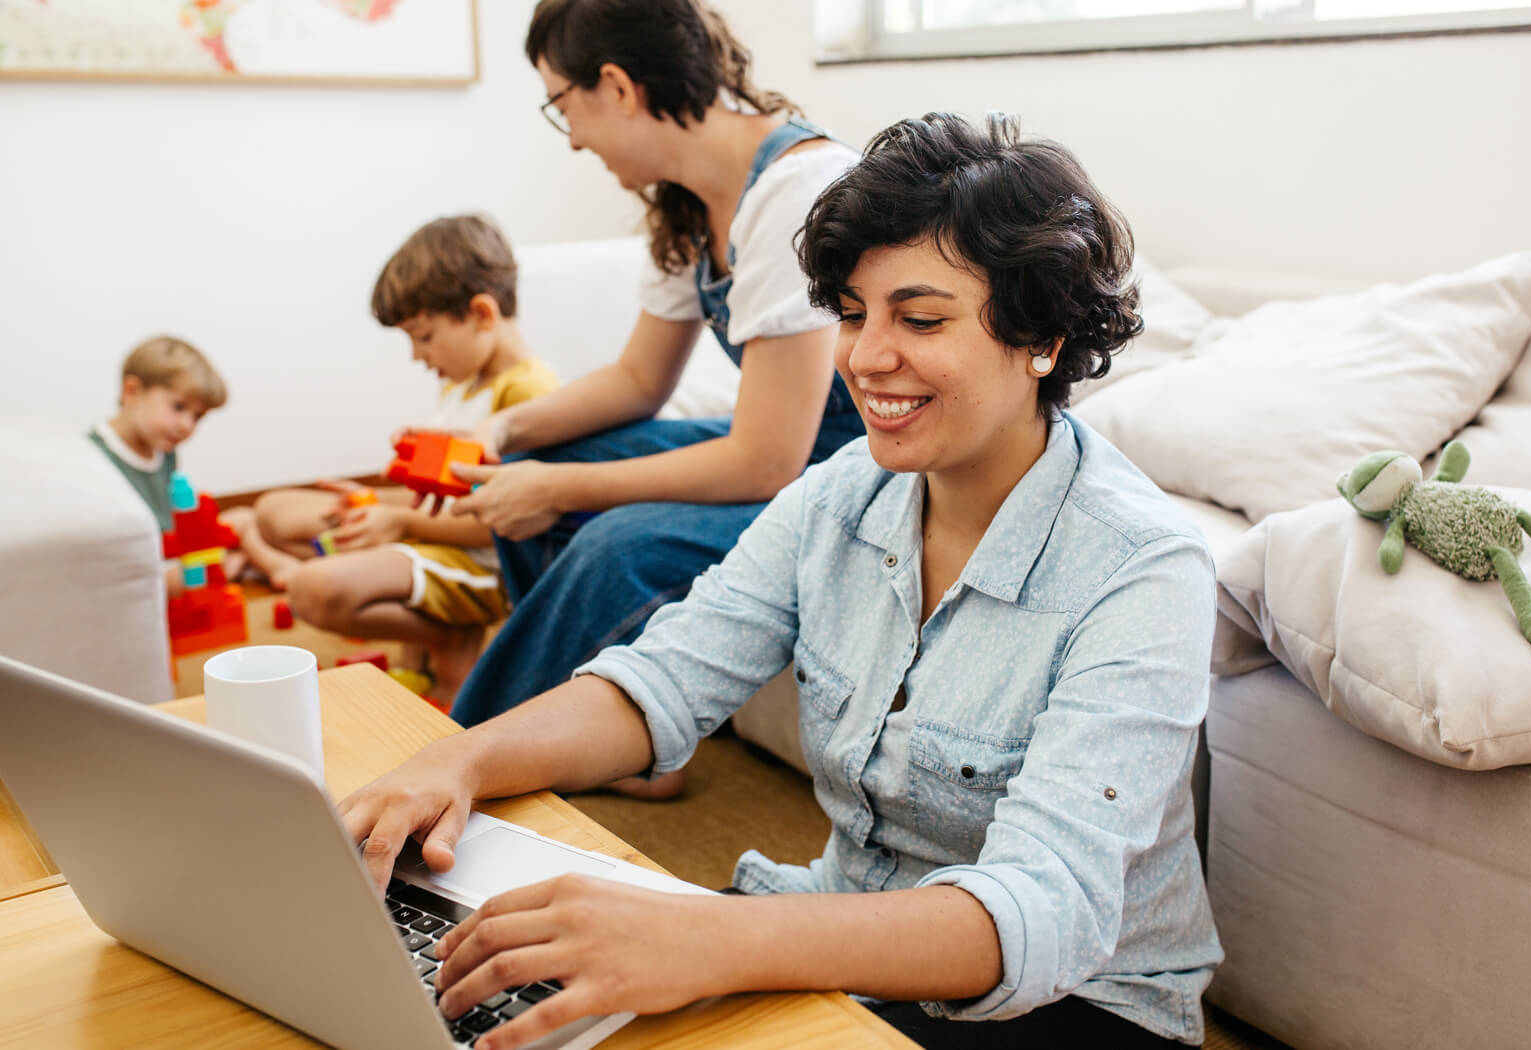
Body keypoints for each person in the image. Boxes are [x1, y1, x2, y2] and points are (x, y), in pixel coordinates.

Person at [339, 112, 1223, 1049]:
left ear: (1041, 335)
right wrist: (459, 756)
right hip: (840, 931)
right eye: (851, 313)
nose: (864, 357)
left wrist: (710, 937)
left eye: (919, 318)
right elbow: (666, 678)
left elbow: (1039, 912)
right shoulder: (845, 493)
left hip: (1075, 1003)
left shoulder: (1143, 569)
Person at [437, 0, 864, 741]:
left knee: (617, 547)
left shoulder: (799, 192)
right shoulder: (692, 206)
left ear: (618, 86)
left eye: (562, 106)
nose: (571, 140)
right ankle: (590, 732)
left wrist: (561, 489)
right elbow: (639, 380)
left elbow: (766, 462)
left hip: (862, 471)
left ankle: (466, 753)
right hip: (795, 454)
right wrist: (499, 427)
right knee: (524, 460)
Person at [260, 215, 560, 704]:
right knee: (275, 511)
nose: (418, 356)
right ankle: (425, 630)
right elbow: (448, 490)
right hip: (431, 532)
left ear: (482, 314)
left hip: (485, 564)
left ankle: (447, 637)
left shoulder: (529, 395)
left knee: (310, 589)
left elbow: (504, 523)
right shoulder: (460, 382)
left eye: (423, 336)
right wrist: (376, 499)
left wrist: (399, 522)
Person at [89, 335, 240, 591]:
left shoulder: (164, 449)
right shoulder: (96, 455)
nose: (187, 425)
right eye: (179, 407)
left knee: (244, 520)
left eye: (198, 417)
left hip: (172, 549)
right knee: (183, 577)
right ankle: (238, 565)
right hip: (138, 564)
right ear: (132, 392)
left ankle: (260, 565)